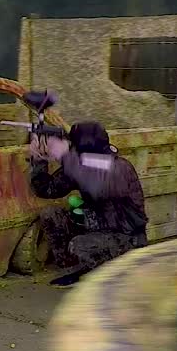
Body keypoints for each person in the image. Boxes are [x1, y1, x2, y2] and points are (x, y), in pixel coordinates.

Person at [30, 121, 148, 287]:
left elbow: (95, 186)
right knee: (51, 214)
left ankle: (108, 271)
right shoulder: (80, 165)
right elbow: (47, 190)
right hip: (94, 229)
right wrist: (39, 159)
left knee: (80, 245)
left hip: (126, 237)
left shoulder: (119, 167)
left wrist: (65, 156)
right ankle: (73, 270)